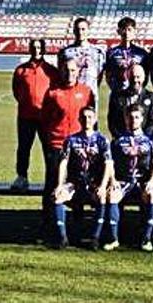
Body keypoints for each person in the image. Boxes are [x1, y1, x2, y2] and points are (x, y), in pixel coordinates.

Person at [40, 58, 95, 240]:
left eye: (73, 70)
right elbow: (45, 119)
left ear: (78, 72)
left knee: (77, 183)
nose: (70, 74)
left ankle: (77, 224)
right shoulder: (53, 93)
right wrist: (51, 141)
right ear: (61, 71)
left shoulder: (86, 92)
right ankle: (49, 225)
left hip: (78, 147)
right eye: (66, 70)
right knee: (53, 184)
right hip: (57, 146)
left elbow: (91, 119)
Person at [51, 107, 116, 250]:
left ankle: (95, 238)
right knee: (58, 196)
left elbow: (108, 164)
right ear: (79, 119)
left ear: (95, 119)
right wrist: (60, 185)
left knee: (102, 197)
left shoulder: (102, 140)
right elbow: (63, 162)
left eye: (90, 117)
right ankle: (62, 238)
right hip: (75, 183)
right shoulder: (71, 140)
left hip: (94, 183)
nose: (87, 120)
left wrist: (103, 185)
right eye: (84, 117)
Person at [11, 38, 59, 190]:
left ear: (44, 49)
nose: (36, 50)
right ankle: (22, 177)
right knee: (24, 148)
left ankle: (52, 179)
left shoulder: (51, 71)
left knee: (49, 150)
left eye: (39, 47)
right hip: (26, 117)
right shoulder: (21, 70)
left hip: (46, 119)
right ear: (30, 49)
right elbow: (16, 92)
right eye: (34, 47)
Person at [109, 105, 153, 251]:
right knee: (112, 195)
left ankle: (146, 239)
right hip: (124, 181)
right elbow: (110, 164)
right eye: (130, 117)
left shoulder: (149, 141)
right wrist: (113, 180)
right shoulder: (118, 141)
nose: (133, 120)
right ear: (125, 119)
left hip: (142, 181)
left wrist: (151, 181)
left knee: (151, 196)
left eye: (137, 117)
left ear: (142, 119)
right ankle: (113, 239)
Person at [104, 16, 149, 136]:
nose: (126, 33)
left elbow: (145, 76)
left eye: (130, 29)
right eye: (123, 29)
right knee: (118, 121)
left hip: (135, 94)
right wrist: (115, 89)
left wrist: (137, 89)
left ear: (134, 32)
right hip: (119, 95)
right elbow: (108, 75)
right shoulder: (112, 53)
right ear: (119, 31)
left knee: (136, 120)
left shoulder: (142, 53)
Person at [58, 17, 106, 100]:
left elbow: (99, 75)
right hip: (71, 94)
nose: (80, 32)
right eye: (77, 29)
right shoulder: (65, 52)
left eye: (83, 29)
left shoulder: (97, 52)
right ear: (73, 31)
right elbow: (61, 74)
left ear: (88, 30)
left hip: (90, 95)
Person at [109, 63, 153, 138]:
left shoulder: (151, 97)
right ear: (127, 77)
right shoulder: (116, 97)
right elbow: (112, 121)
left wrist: (143, 139)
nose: (135, 80)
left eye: (138, 77)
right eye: (132, 77)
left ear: (144, 78)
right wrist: (121, 138)